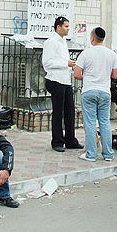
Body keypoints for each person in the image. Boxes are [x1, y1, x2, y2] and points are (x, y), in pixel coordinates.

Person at [74, 27, 117, 162]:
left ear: (93, 37)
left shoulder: (85, 53)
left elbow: (77, 74)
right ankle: (108, 154)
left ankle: (91, 154)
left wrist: (88, 77)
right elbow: (116, 75)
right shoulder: (111, 54)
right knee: (105, 123)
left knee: (90, 124)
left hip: (89, 90)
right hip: (105, 92)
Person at [42, 16, 82, 153]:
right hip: (55, 80)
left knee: (70, 111)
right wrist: (66, 63)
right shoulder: (51, 42)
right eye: (65, 26)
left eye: (68, 26)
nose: (68, 29)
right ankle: (57, 141)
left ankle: (70, 140)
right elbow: (47, 63)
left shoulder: (63, 41)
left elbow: (61, 60)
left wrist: (70, 64)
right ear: (58, 27)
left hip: (65, 80)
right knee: (58, 112)